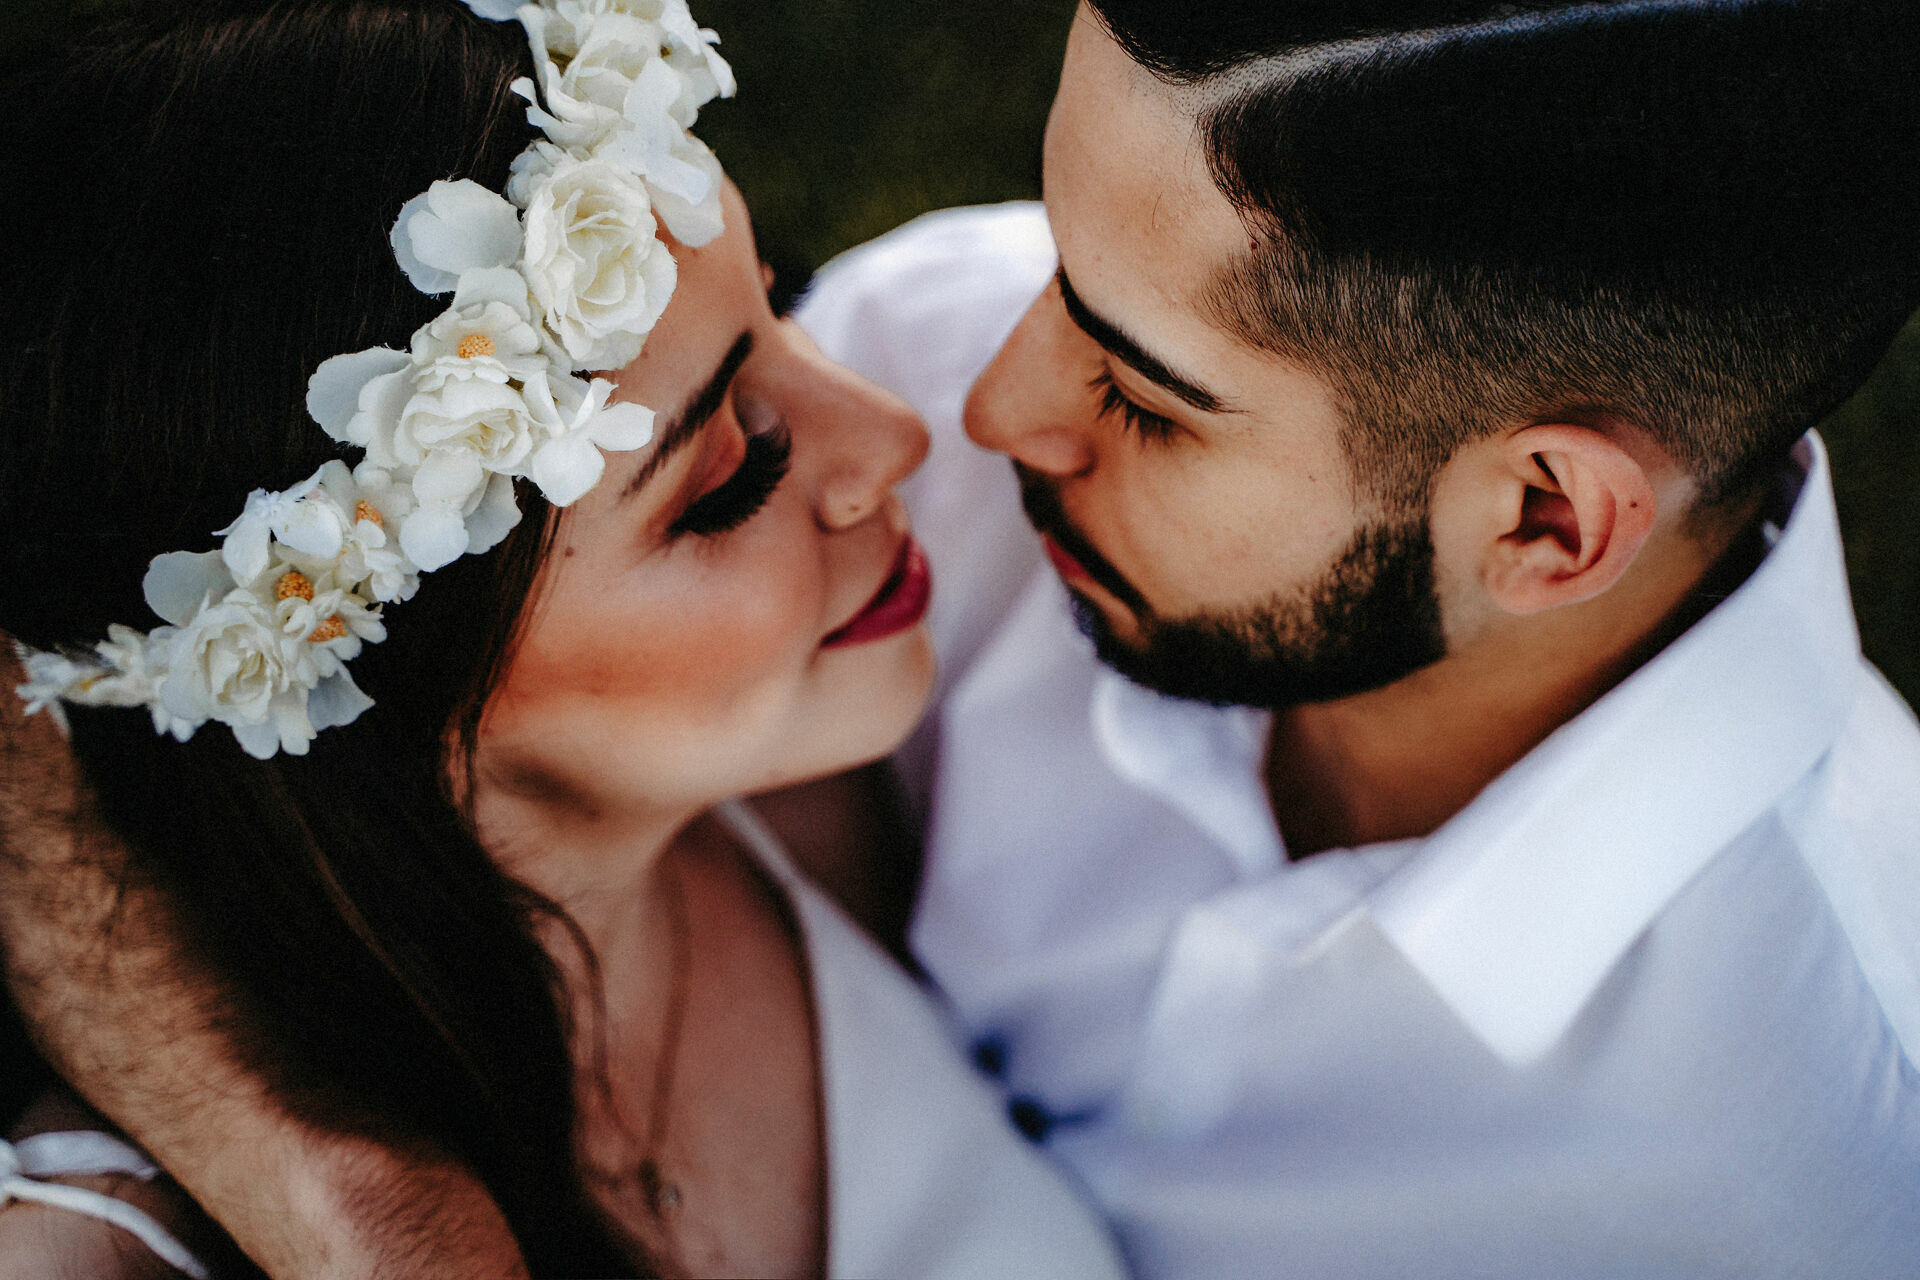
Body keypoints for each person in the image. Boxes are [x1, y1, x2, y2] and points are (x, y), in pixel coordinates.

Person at [8, 0, 1920, 1276]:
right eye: (1059, 262)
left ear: (1542, 524)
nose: (963, 410)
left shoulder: (1826, 1174)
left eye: (1147, 390)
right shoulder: (931, 392)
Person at [0, 1, 1127, 1277]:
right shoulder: (102, 1258)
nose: (895, 436)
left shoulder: (814, 812)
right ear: (376, 676)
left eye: (783, 302)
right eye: (731, 478)